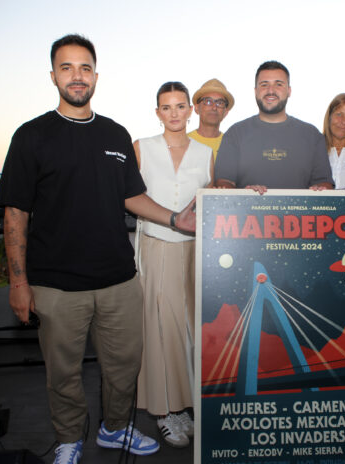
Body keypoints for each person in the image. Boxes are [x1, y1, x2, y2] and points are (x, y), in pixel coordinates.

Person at [0, 34, 195, 464]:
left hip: (119, 281)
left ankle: (115, 428)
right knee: (63, 373)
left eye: (84, 67)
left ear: (96, 76)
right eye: (66, 67)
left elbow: (132, 196)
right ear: (53, 76)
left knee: (124, 368)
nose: (77, 76)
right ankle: (69, 439)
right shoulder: (31, 136)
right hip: (56, 285)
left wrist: (176, 219)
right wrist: (18, 282)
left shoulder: (115, 134)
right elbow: (15, 213)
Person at [133, 82, 213, 448]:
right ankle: (165, 410)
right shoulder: (142, 147)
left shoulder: (205, 153)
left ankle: (185, 404)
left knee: (192, 330)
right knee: (161, 328)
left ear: (190, 110)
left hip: (196, 250)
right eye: (166, 107)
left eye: (180, 106)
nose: (174, 113)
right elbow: (129, 196)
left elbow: (214, 201)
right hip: (157, 246)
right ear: (157, 112)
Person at [214, 60, 333, 192]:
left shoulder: (312, 136)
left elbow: (325, 184)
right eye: (264, 84)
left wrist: (321, 190)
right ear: (255, 91)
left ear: (289, 91)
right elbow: (223, 182)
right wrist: (246, 194)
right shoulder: (235, 134)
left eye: (278, 84)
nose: (271, 91)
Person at [188, 78, 234, 161]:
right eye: (208, 101)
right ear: (197, 108)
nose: (214, 107)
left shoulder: (232, 145)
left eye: (220, 103)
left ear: (225, 112)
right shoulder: (183, 143)